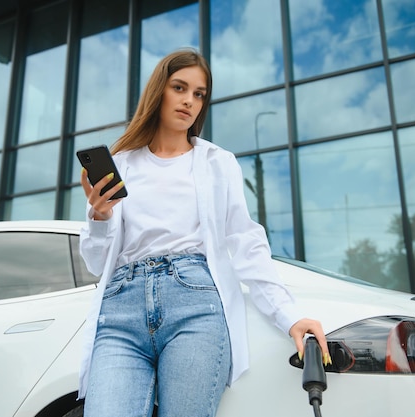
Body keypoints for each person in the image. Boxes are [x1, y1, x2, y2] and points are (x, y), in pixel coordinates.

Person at [78, 49, 330, 417]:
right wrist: (98, 217)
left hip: (194, 306)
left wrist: (289, 315)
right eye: (180, 88)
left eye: (199, 94)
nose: (189, 101)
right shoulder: (124, 163)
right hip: (120, 312)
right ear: (158, 92)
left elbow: (246, 242)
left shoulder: (217, 163)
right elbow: (97, 264)